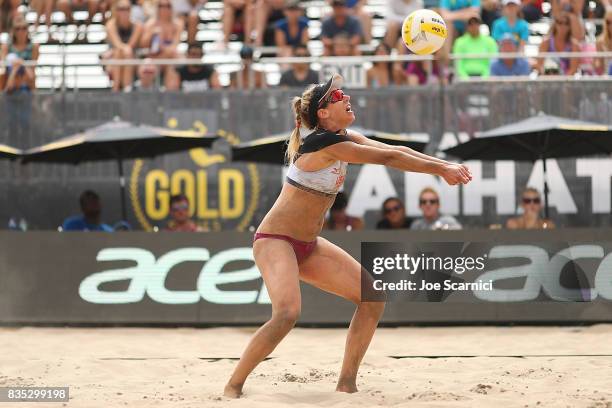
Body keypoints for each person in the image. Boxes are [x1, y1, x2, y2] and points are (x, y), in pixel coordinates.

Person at [223, 74, 472, 398]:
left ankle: (346, 383)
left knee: (372, 298)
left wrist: (446, 165)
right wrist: (441, 172)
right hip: (276, 240)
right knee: (286, 313)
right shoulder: (323, 144)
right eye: (338, 95)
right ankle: (233, 385)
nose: (346, 97)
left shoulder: (345, 137)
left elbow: (393, 148)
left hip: (308, 246)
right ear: (323, 113)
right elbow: (389, 159)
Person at [141, 0, 183, 90]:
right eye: (161, 6)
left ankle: (170, 97)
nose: (165, 9)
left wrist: (161, 45)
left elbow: (174, 47)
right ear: (157, 8)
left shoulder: (178, 24)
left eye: (168, 6)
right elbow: (143, 45)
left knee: (172, 65)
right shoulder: (150, 24)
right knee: (147, 67)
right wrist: (151, 34)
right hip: (154, 59)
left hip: (169, 59)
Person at [104, 0, 143, 92]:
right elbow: (117, 44)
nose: (124, 12)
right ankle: (126, 88)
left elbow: (131, 45)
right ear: (116, 10)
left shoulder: (137, 26)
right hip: (115, 59)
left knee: (125, 54)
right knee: (120, 53)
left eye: (127, 9)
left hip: (131, 59)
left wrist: (124, 51)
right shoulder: (111, 25)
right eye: (121, 9)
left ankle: (116, 88)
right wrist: (123, 51)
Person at [595, 9, 612, 74]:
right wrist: (596, 63)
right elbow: (600, 66)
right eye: (608, 22)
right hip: (607, 77)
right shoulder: (600, 41)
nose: (610, 25)